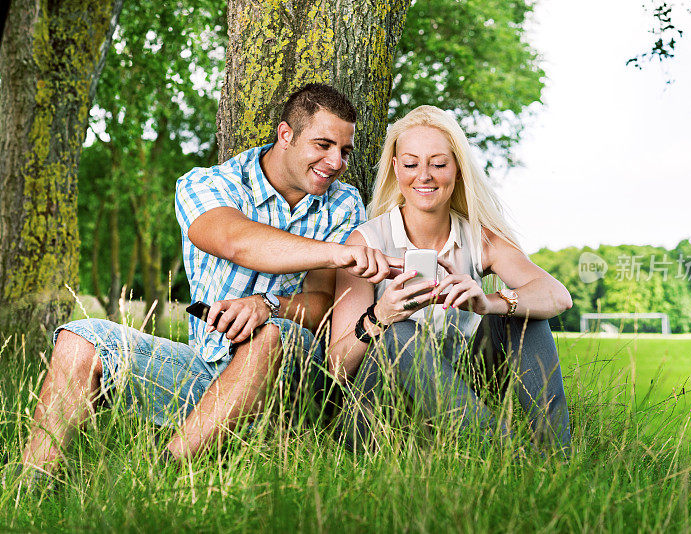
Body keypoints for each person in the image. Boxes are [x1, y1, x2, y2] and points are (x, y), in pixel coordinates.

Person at [10, 83, 400, 488]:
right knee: (81, 337)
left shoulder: (342, 203)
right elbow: (237, 241)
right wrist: (335, 252)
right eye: (323, 145)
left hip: (290, 384)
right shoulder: (209, 185)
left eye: (344, 151)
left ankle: (158, 478)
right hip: (204, 370)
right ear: (286, 135)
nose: (336, 161)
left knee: (272, 335)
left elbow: (323, 304)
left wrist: (270, 303)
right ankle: (30, 486)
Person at [329, 105, 573, 454]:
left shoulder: (479, 238)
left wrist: (490, 302)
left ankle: (554, 455)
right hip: (381, 409)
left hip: (461, 393)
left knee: (522, 315)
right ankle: (504, 457)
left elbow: (557, 296)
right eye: (411, 164)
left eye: (438, 164)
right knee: (399, 331)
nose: (424, 176)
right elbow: (336, 368)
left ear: (457, 169)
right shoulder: (365, 242)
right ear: (396, 170)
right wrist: (381, 315)